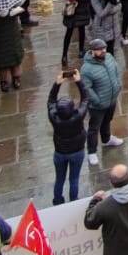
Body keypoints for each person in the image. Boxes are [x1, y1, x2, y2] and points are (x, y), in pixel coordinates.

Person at [48, 69, 88, 204]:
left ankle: (57, 200)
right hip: (77, 151)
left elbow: (51, 101)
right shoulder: (78, 116)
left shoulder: (54, 117)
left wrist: (57, 84)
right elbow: (85, 99)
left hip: (60, 152)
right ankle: (73, 200)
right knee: (74, 178)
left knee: (59, 179)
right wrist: (79, 82)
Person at [79, 38, 124, 150]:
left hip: (111, 99)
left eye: (104, 48)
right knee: (94, 128)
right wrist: (97, 100)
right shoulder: (86, 69)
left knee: (107, 120)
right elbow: (86, 88)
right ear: (92, 51)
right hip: (98, 105)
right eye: (99, 49)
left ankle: (107, 139)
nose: (103, 51)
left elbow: (115, 71)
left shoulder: (109, 57)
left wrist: (118, 86)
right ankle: (92, 151)